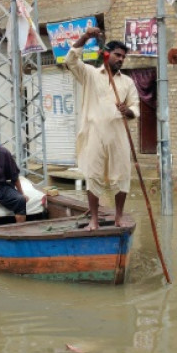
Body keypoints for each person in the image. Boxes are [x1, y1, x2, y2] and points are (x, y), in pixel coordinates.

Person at [65, 26, 140, 231]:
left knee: (122, 176)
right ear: (107, 55)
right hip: (94, 134)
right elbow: (70, 60)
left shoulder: (127, 82)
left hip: (118, 136)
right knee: (93, 176)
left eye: (123, 57)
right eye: (117, 55)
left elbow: (135, 108)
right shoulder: (90, 74)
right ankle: (94, 220)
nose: (121, 59)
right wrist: (86, 37)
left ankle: (118, 217)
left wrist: (128, 111)